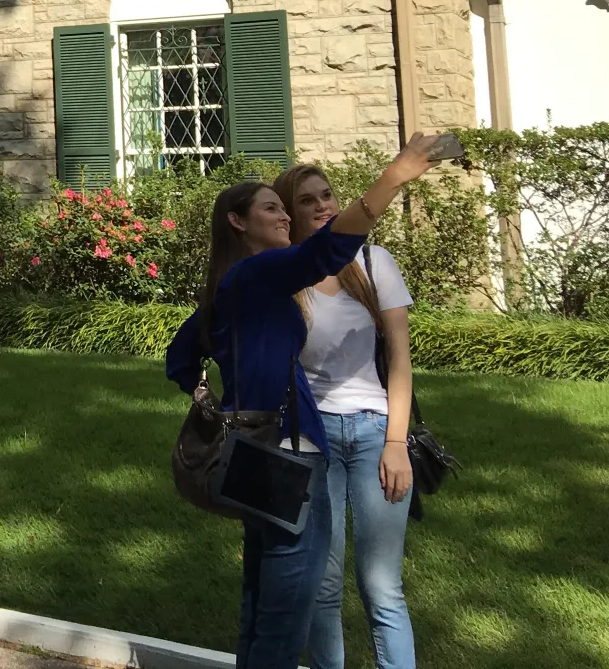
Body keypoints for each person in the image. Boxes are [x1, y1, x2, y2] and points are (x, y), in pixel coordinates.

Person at [166, 133, 440, 669]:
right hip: (289, 452)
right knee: (286, 613)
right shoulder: (260, 272)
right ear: (238, 222)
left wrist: (219, 400)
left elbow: (180, 359)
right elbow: (329, 250)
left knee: (261, 601)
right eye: (273, 208)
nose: (286, 216)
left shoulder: (231, 284)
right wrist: (395, 175)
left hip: (250, 448)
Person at [275, 164, 418, 669]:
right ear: (290, 213)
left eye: (327, 195)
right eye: (307, 200)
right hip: (312, 440)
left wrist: (396, 444)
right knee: (323, 582)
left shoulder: (375, 262)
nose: (322, 206)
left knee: (383, 586)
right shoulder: (286, 274)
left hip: (376, 430)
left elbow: (399, 360)